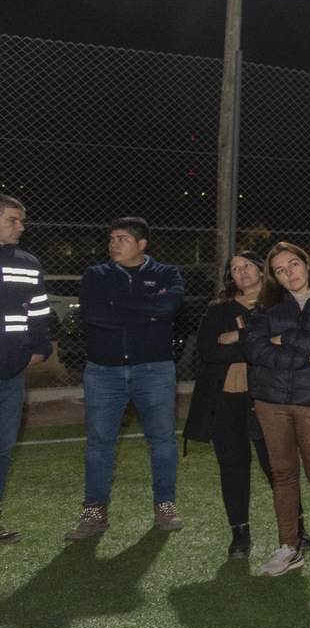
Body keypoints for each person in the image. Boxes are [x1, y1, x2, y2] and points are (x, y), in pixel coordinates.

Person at [68, 216, 186, 539]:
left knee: (162, 439)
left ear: (142, 244)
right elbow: (94, 315)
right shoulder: (95, 275)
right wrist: (147, 311)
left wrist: (119, 306)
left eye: (121, 239)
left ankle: (165, 505)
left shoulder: (166, 273)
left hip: (155, 369)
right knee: (99, 442)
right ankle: (94, 512)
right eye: (111, 239)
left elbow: (169, 305)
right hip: (103, 371)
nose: (113, 244)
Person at [246, 242, 310, 578]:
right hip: (270, 401)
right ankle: (289, 548)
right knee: (283, 475)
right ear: (273, 277)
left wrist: (286, 337)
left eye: (293, 264)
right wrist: (305, 355)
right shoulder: (266, 305)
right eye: (280, 270)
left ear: (307, 265)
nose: (289, 273)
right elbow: (256, 349)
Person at [184, 250, 282, 560]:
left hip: (266, 398)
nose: (241, 272)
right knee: (233, 466)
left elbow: (279, 347)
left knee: (277, 467)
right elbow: (207, 351)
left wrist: (237, 336)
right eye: (234, 268)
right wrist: (254, 343)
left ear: (261, 270)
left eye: (247, 266)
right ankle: (240, 533)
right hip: (225, 399)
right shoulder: (218, 310)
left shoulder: (279, 306)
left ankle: (295, 529)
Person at [0, 194, 52, 544]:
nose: (21, 226)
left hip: (11, 373)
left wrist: (38, 349)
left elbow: (38, 312)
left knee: (2, 448)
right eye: (13, 220)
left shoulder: (28, 262)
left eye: (21, 220)